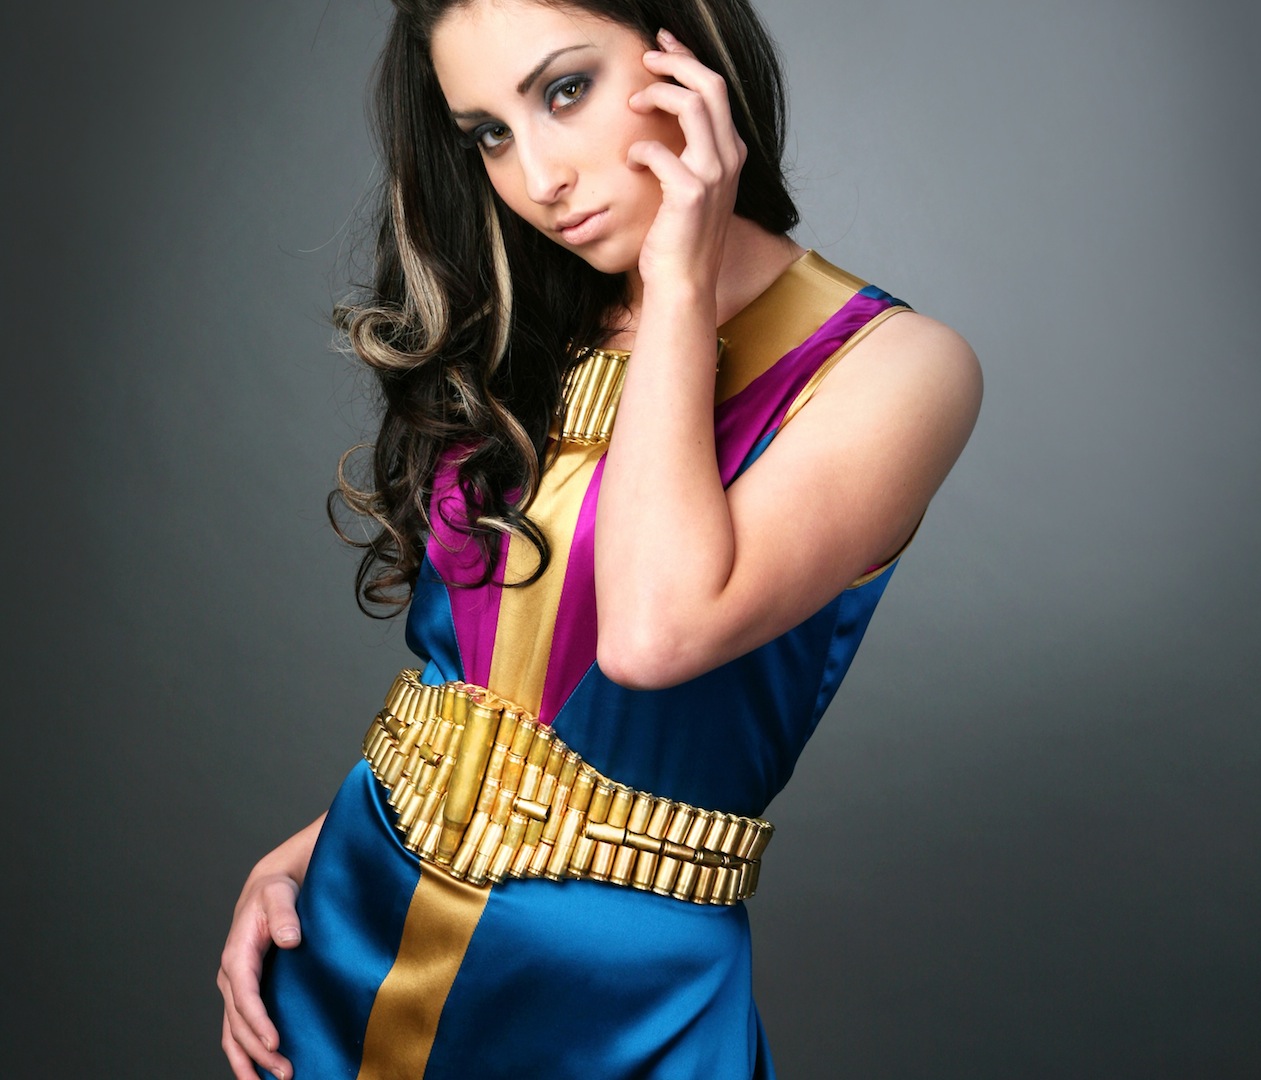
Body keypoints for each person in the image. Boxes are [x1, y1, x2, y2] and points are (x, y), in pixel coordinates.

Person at [218, 0, 982, 1076]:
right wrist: (310, 850)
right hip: (351, 925)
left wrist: (679, 284)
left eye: (565, 90)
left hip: (613, 1004)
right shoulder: (531, 318)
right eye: (489, 132)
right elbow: (487, 676)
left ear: (688, 59)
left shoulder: (893, 369)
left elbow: (652, 637)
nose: (538, 178)